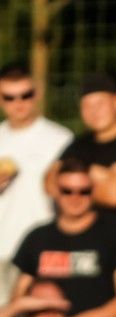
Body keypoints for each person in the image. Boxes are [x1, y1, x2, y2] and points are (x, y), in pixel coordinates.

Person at [10, 158, 116, 317]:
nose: (75, 197)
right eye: (67, 191)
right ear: (55, 190)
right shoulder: (37, 237)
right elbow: (19, 294)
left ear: (94, 191)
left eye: (84, 191)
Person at [0, 67, 72, 298]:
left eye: (26, 95)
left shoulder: (60, 139)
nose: (18, 103)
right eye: (9, 97)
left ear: (37, 93)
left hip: (43, 249)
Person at [56, 73, 116, 243]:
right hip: (79, 246)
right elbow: (50, 182)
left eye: (100, 104)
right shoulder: (79, 144)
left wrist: (75, 179)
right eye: (86, 106)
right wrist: (101, 176)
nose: (93, 112)